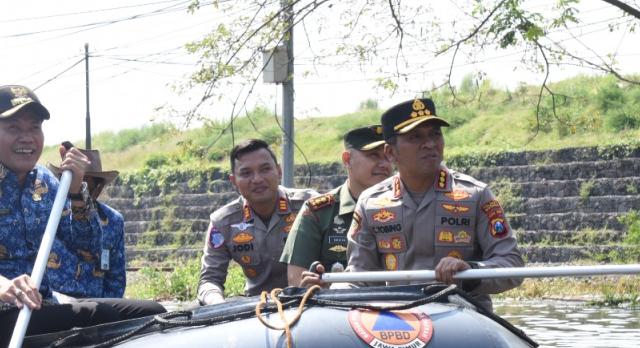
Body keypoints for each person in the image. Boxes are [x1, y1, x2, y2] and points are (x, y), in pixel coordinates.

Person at [0, 84, 161, 348]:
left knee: (152, 311)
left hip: (39, 308)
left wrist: (77, 194)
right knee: (102, 316)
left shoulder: (45, 182)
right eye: (14, 128)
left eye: (34, 128)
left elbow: (87, 249)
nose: (27, 137)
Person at [340, 97, 523, 310]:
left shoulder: (476, 195)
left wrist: (471, 271)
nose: (430, 144)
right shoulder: (371, 203)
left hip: (464, 317)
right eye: (415, 137)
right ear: (391, 153)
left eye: (435, 134)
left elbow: (512, 265)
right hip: (398, 319)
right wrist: (325, 289)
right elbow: (358, 275)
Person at [196, 138, 316, 306]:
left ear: (279, 171)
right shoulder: (223, 222)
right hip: (256, 306)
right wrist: (218, 305)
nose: (257, 179)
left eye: (265, 169)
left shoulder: (311, 207)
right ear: (234, 182)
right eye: (246, 173)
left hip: (311, 300)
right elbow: (209, 279)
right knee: (192, 311)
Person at [282, 125, 393, 288]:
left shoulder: (404, 206)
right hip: (336, 303)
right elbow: (297, 281)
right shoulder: (318, 212)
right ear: (347, 160)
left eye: (388, 155)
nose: (384, 164)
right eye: (373, 155)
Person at [46, 150, 128, 298]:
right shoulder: (45, 213)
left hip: (94, 303)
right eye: (72, 183)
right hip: (52, 301)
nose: (77, 188)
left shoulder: (113, 220)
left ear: (99, 188)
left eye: (84, 186)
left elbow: (116, 280)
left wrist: (106, 309)